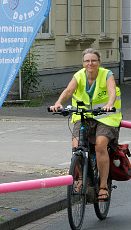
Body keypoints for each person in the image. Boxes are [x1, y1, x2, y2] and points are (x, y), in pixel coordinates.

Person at [50, 48, 121, 202]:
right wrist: (58, 103)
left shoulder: (106, 74)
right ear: (83, 63)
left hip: (105, 117)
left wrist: (109, 104)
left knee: (101, 145)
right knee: (76, 147)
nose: (90, 63)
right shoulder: (79, 76)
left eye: (93, 60)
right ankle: (82, 178)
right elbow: (69, 91)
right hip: (83, 117)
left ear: (99, 62)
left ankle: (103, 186)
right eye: (87, 61)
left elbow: (112, 92)